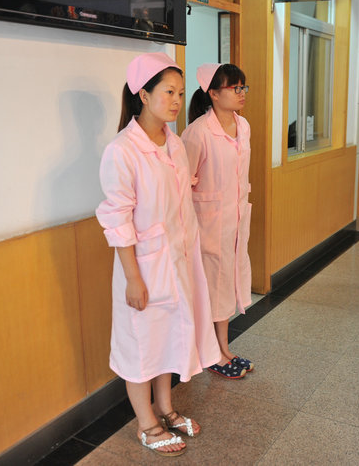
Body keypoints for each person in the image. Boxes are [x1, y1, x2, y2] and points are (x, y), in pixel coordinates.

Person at [96, 52, 221, 457]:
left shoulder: (174, 144)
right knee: (141, 344)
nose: (176, 101)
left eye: (181, 93)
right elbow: (118, 220)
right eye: (168, 92)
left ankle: (166, 409)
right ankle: (146, 424)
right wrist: (133, 277)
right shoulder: (122, 150)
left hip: (178, 261)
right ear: (143, 95)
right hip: (144, 268)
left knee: (169, 337)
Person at [182, 63, 254, 379]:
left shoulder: (243, 126)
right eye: (234, 88)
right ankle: (212, 353)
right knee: (212, 287)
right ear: (213, 93)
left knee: (226, 284)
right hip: (207, 224)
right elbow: (182, 182)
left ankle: (223, 348)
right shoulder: (197, 132)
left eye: (243, 87)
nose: (241, 93)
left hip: (234, 219)